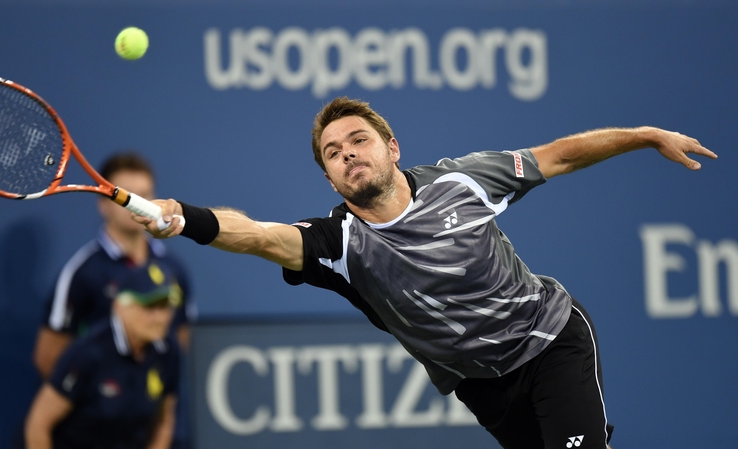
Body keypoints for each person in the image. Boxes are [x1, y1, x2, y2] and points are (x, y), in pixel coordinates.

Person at [135, 97, 717, 449]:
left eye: (358, 140)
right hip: (481, 386)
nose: (347, 154)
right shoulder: (337, 243)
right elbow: (257, 233)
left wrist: (644, 136)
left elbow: (558, 155)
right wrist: (183, 218)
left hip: (549, 341)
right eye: (333, 153)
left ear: (391, 147)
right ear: (330, 181)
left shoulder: (461, 181)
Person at [31, 152, 195, 448]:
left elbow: (179, 340)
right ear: (103, 204)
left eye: (145, 195)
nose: (136, 204)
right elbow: (49, 357)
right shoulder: (82, 273)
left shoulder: (174, 270)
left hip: (152, 421)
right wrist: (105, 400)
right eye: (125, 196)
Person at [24, 261, 182, 449]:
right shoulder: (89, 353)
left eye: (165, 306)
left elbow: (164, 421)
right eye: (149, 306)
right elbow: (39, 424)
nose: (160, 317)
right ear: (120, 307)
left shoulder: (169, 351)